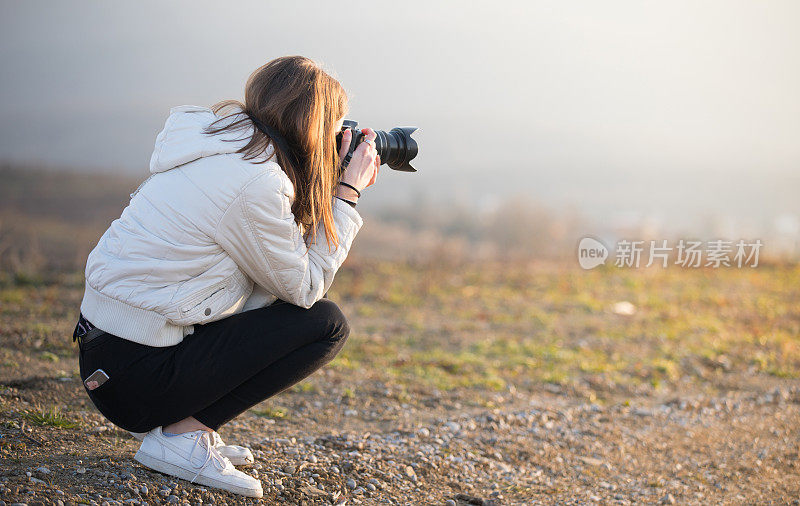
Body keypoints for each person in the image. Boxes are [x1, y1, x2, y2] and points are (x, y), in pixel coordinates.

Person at [71, 55, 380, 498]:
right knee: (325, 324)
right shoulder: (256, 182)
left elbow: (274, 277)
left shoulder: (221, 146)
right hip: (134, 378)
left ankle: (181, 428)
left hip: (110, 354)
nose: (337, 137)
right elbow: (305, 288)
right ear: (312, 124)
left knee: (281, 304)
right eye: (334, 126)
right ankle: (182, 437)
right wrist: (345, 194)